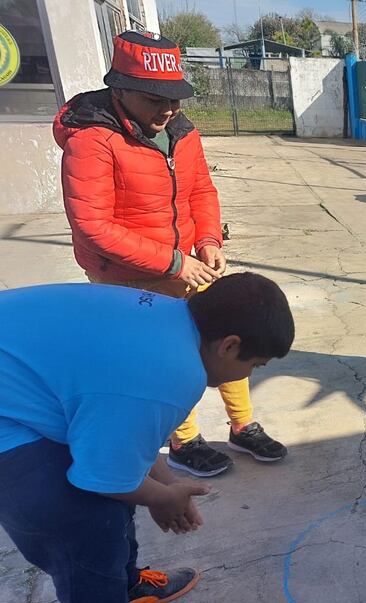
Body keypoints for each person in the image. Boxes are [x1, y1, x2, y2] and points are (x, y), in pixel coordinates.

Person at [0, 274, 295, 603]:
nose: (250, 373)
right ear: (230, 346)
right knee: (83, 522)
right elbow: (104, 476)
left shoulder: (172, 320)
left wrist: (168, 483)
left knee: (125, 489)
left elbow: (126, 441)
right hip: (8, 417)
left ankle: (125, 586)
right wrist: (161, 497)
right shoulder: (175, 371)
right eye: (256, 365)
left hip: (19, 384)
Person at [53, 31, 287, 477]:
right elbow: (94, 227)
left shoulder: (181, 132)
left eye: (175, 98)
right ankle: (184, 440)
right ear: (119, 90)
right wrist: (176, 262)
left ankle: (242, 426)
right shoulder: (92, 140)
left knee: (228, 338)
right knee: (169, 357)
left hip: (189, 263)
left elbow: (201, 189)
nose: (169, 109)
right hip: (129, 275)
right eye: (153, 98)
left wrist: (209, 241)